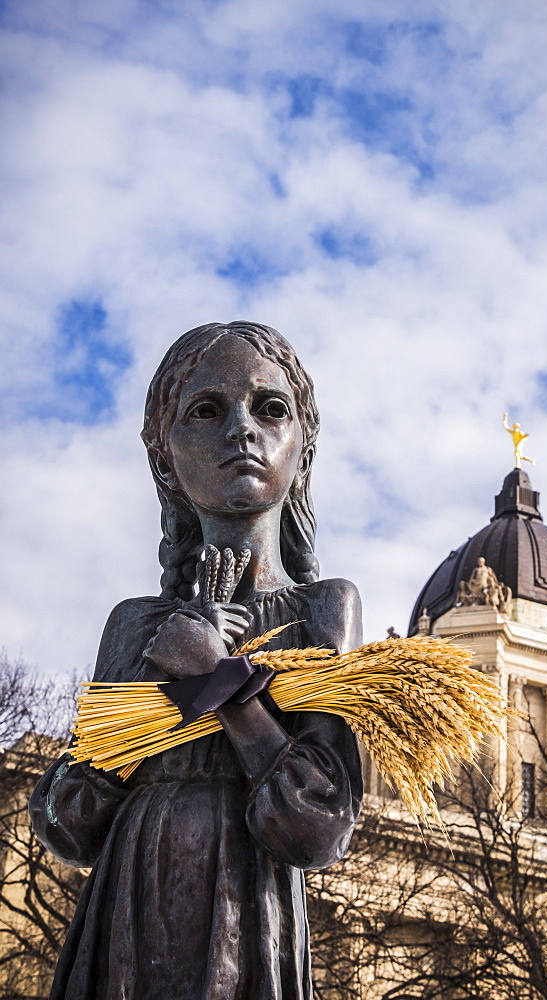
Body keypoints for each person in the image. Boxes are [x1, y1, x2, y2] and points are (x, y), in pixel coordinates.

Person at [30, 322, 363, 1000]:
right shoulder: (134, 626)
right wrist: (162, 672)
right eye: (206, 411)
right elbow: (68, 822)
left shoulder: (324, 610)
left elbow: (318, 826)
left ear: (304, 447)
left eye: (270, 408)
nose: (241, 429)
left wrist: (221, 681)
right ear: (163, 457)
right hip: (130, 907)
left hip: (250, 911)